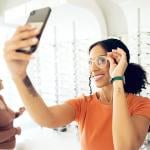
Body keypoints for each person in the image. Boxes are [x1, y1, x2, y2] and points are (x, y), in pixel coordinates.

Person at [3, 24, 150, 150]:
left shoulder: (142, 105)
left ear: (118, 62)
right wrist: (20, 76)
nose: (93, 68)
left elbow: (125, 147)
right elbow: (46, 118)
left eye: (100, 60)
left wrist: (118, 78)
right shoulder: (83, 104)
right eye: (90, 61)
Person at [0, 79, 25, 150]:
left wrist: (19, 113)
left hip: (10, 146)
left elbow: (6, 117)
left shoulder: (1, 98)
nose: (1, 80)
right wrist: (15, 131)